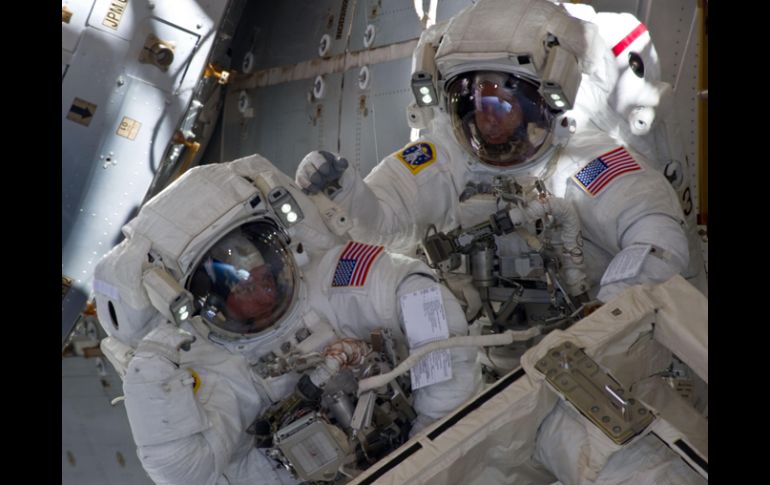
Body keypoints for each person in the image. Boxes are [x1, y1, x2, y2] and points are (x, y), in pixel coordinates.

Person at [91, 154, 481, 484]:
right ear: (205, 301)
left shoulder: (333, 277)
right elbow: (184, 471)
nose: (254, 279)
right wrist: (149, 378)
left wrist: (431, 432)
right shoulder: (218, 371)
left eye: (256, 256)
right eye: (233, 279)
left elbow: (418, 292)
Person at [295, 0, 692, 308]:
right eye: (474, 103)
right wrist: (347, 195)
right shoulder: (447, 158)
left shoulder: (585, 164)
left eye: (502, 104)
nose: (487, 121)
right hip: (488, 349)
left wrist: (609, 316)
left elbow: (656, 238)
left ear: (540, 103)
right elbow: (382, 225)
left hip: (585, 341)